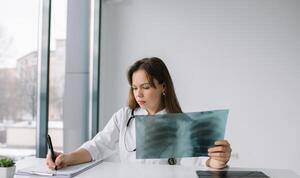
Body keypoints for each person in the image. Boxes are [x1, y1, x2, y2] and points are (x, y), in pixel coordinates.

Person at [47, 57, 232, 170]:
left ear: (163, 87)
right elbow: (98, 146)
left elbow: (200, 163)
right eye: (135, 87)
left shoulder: (182, 124)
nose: (138, 94)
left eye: (145, 87)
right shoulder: (124, 116)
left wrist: (217, 161)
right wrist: (68, 158)